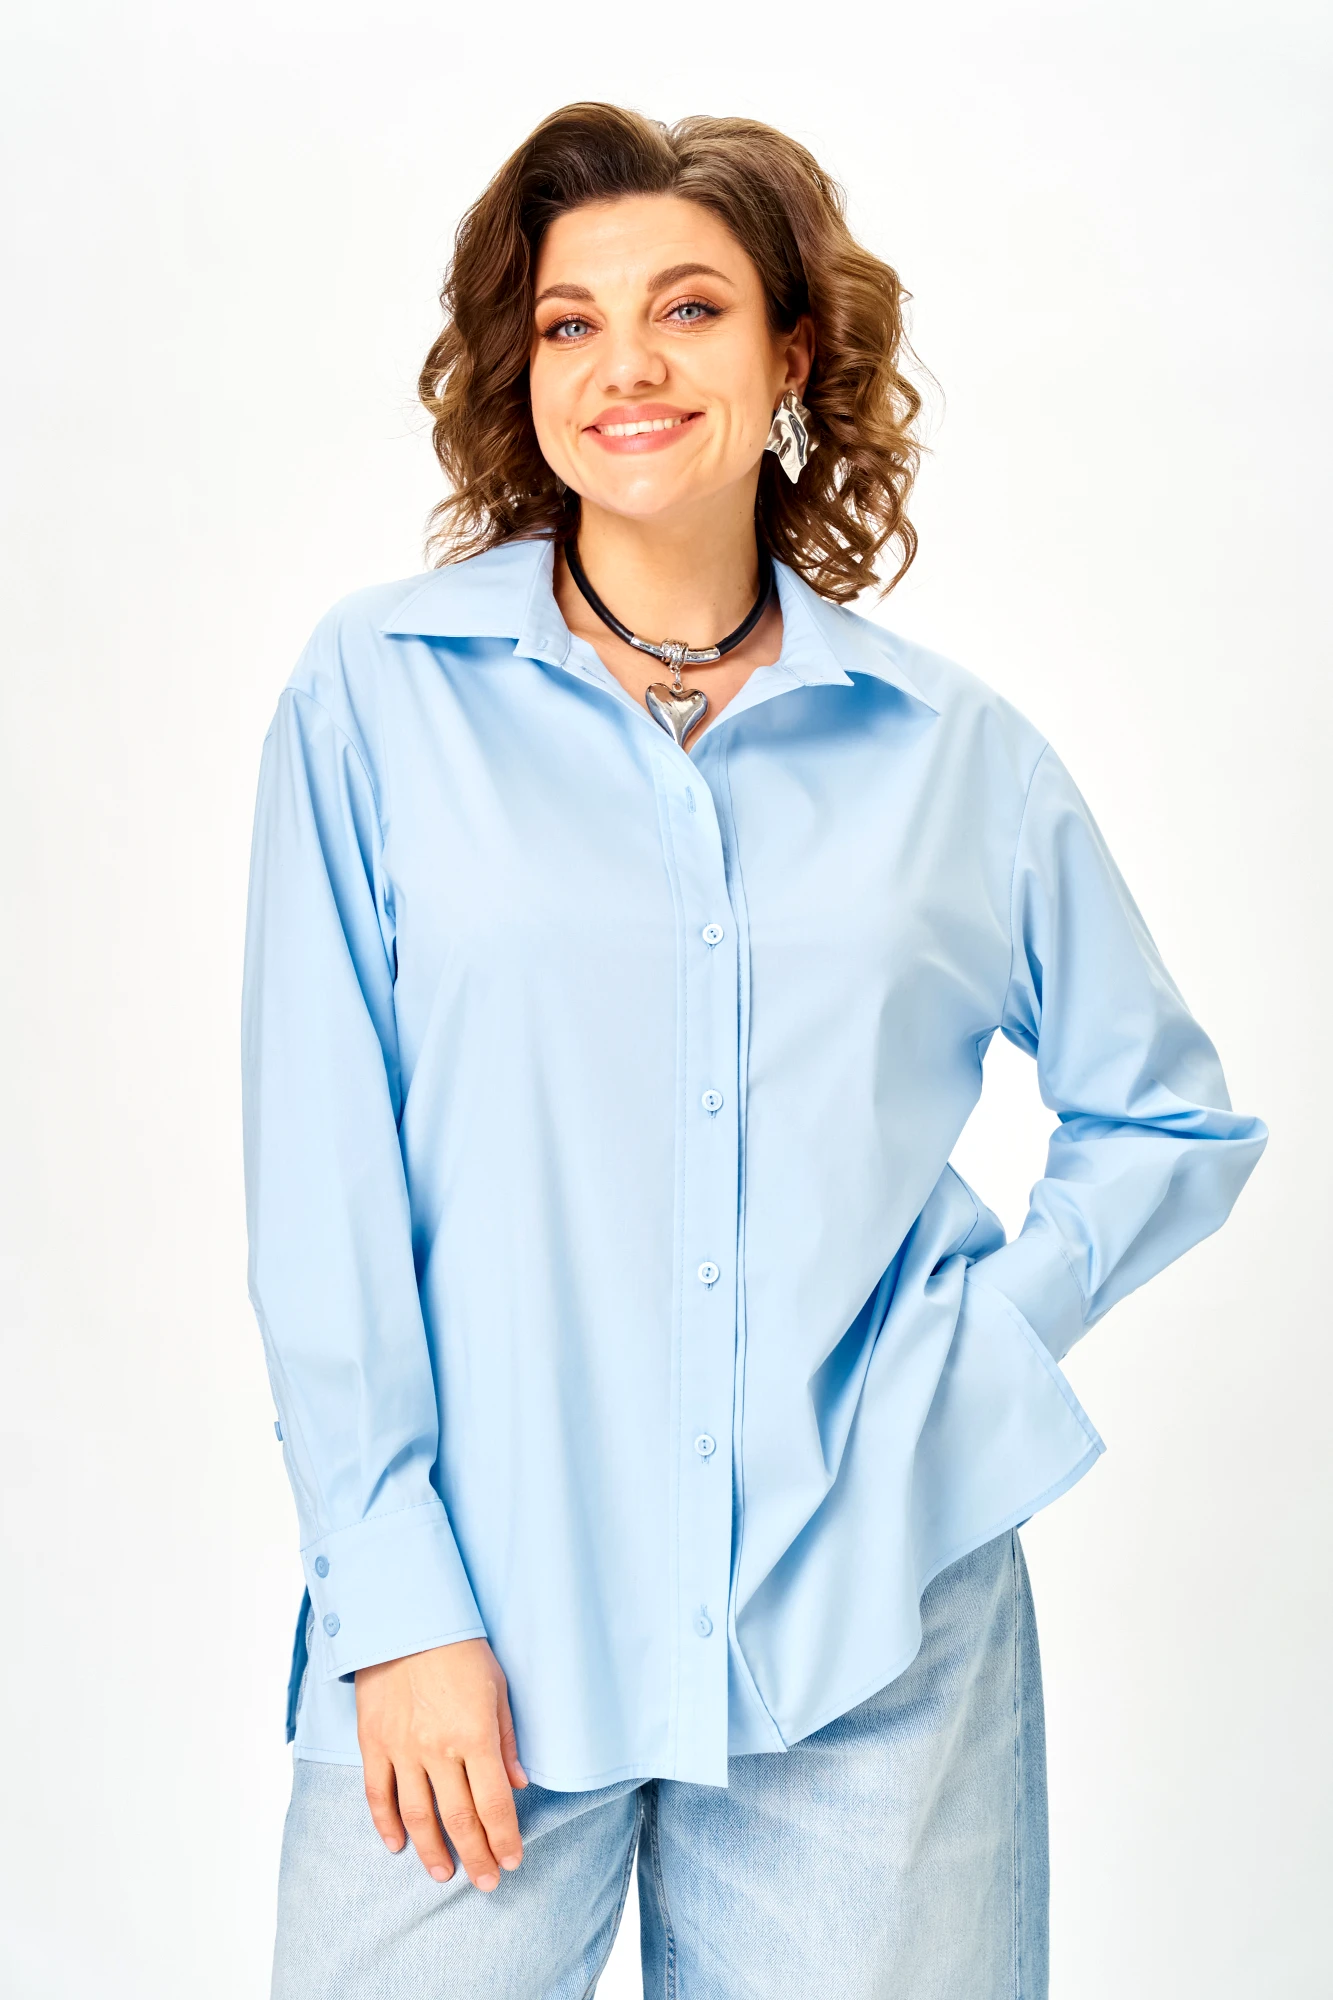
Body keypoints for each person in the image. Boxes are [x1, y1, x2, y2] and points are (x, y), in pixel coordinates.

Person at [241, 102, 1267, 2000]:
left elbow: (1168, 1118)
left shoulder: (950, 753)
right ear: (521, 371)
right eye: (570, 323)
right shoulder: (377, 701)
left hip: (870, 1639)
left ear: (793, 355)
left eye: (689, 309)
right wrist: (390, 1604)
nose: (625, 365)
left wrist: (972, 1355)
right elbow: (324, 1189)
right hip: (476, 1640)